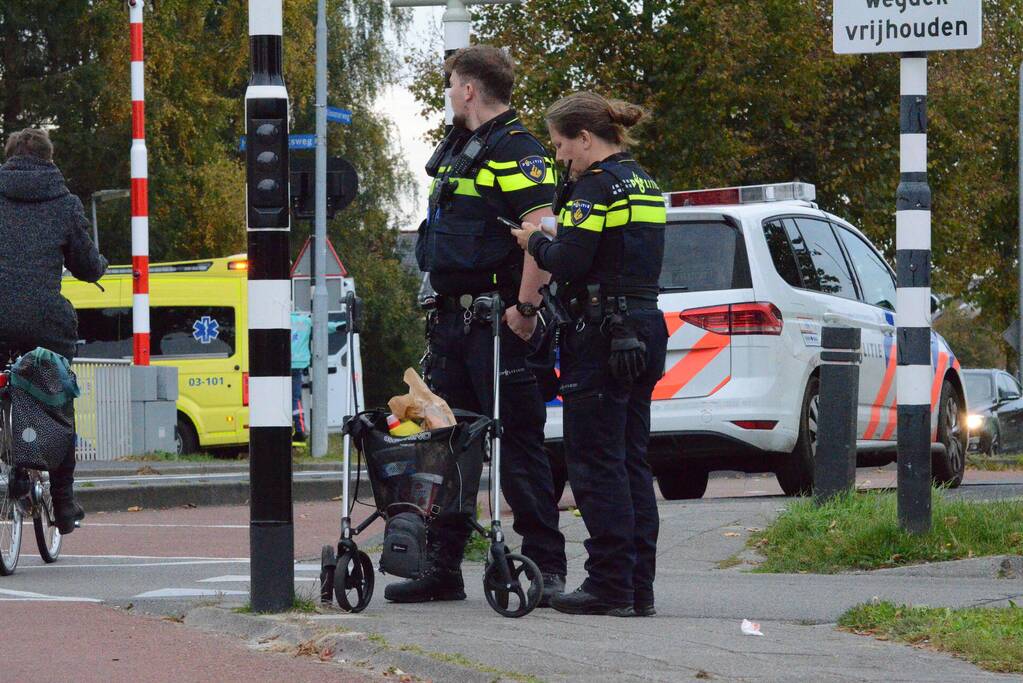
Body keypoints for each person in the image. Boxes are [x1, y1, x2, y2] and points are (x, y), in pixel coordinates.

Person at [394, 45, 567, 605]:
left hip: (498, 322)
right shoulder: (458, 150)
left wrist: (526, 310)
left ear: (468, 88)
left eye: (451, 84)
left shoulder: (518, 153)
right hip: (450, 322)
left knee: (518, 444)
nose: (448, 93)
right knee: (445, 446)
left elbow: (544, 236)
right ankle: (442, 568)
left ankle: (546, 565)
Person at [511, 92, 668, 617]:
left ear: (584, 137)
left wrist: (533, 240)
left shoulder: (595, 187)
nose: (559, 158)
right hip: (644, 327)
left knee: (596, 464)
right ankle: (637, 586)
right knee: (631, 461)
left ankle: (607, 585)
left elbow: (572, 262)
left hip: (601, 335)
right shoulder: (644, 181)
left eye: (560, 145)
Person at [0, 128, 108, 534]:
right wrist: (100, 266)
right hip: (45, 323)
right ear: (49, 158)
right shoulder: (64, 204)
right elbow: (85, 263)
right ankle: (63, 503)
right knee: (60, 398)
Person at [289, 309, 342, 442]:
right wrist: (342, 325)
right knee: (295, 398)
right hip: (299, 364)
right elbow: (324, 327)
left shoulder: (282, 319)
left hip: (283, 364)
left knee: (285, 399)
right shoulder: (306, 321)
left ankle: (290, 429)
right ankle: (300, 430)